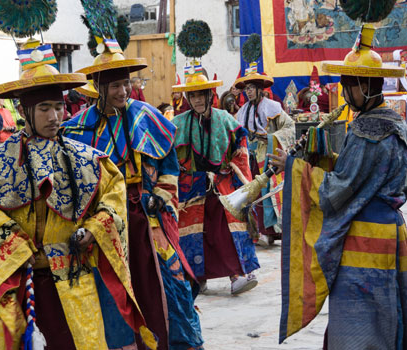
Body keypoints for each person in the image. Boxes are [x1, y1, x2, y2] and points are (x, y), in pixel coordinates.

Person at [0, 39, 156, 350]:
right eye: (44, 108)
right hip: (25, 282)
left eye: (59, 107)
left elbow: (113, 194)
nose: (54, 116)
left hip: (75, 278)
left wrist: (94, 229)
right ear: (24, 110)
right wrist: (17, 247)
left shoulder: (87, 158)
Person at [270, 24, 407, 349]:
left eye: (349, 84)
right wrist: (326, 161)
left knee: (360, 327)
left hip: (365, 243)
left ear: (366, 85)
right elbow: (363, 176)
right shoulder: (396, 125)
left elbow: (337, 191)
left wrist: (294, 169)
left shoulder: (366, 131)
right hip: (395, 235)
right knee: (391, 316)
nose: (345, 92)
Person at [63, 34, 204, 350]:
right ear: (99, 87)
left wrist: (161, 197)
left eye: (126, 84)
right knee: (114, 291)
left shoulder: (146, 116)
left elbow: (170, 167)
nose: (123, 91)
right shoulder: (77, 128)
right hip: (106, 221)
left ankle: (179, 343)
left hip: (147, 215)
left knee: (171, 284)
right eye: (115, 86)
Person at [171, 62, 259, 296]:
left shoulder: (225, 119)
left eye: (202, 95)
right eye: (193, 95)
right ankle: (196, 278)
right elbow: (168, 154)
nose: (198, 100)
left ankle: (237, 275)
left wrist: (235, 173)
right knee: (193, 233)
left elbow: (241, 149)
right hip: (192, 187)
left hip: (221, 184)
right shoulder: (178, 124)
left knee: (226, 229)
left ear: (210, 95)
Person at [235, 63, 295, 246]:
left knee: (270, 191)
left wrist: (272, 138)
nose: (249, 92)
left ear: (260, 89)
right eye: (246, 89)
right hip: (251, 156)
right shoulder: (243, 110)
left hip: (268, 154)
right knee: (253, 191)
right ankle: (258, 232)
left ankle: (273, 232)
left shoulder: (273, 106)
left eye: (252, 88)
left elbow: (290, 126)